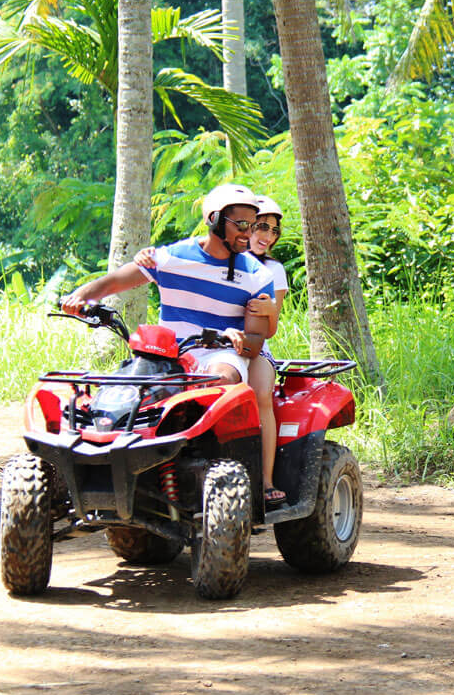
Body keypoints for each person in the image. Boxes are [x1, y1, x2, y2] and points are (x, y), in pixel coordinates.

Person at [135, 193, 290, 508]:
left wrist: (269, 312)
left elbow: (268, 328)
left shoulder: (270, 271)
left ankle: (265, 478)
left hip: (252, 346)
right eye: (258, 227)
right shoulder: (212, 251)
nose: (263, 234)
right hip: (204, 344)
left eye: (271, 230)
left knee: (260, 393)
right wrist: (148, 256)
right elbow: (177, 260)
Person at [60, 183, 275, 389]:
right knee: (126, 390)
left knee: (219, 380)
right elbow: (114, 282)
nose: (248, 233)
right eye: (242, 225)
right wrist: (79, 297)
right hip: (167, 354)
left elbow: (256, 341)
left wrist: (235, 339)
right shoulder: (172, 259)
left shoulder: (258, 275)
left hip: (221, 355)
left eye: (253, 226)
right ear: (214, 219)